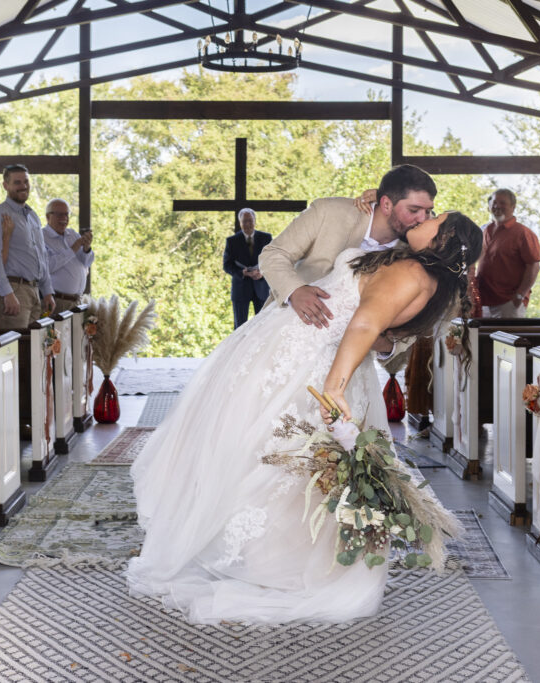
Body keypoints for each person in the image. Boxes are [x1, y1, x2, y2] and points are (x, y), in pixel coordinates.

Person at [127, 211, 480, 624]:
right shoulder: (423, 277)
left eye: (436, 218)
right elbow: (376, 323)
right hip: (299, 349)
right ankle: (273, 559)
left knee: (269, 458)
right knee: (288, 467)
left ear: (443, 239)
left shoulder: (410, 272)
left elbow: (365, 324)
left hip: (304, 359)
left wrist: (333, 388)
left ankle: (261, 563)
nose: (428, 216)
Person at [260, 164, 436, 360]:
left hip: (348, 362)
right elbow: (273, 254)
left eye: (428, 211)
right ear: (386, 205)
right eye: (414, 210)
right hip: (285, 338)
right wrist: (295, 291)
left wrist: (385, 344)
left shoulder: (416, 254)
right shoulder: (329, 211)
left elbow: (411, 325)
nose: (423, 219)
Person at [0, 164, 55, 327]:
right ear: (6, 186)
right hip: (12, 290)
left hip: (34, 292)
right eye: (17, 182)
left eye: (26, 181)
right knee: (13, 351)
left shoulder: (32, 216)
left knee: (33, 349)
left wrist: (47, 291)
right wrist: (7, 292)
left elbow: (41, 256)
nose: (23, 186)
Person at [475, 189, 540, 318]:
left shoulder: (523, 233)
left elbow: (534, 266)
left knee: (508, 338)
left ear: (513, 207)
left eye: (503, 203)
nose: (497, 206)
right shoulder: (485, 230)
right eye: (494, 202)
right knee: (480, 338)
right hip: (483, 301)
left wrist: (519, 296)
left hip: (508, 303)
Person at [42, 199, 93, 315]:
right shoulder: (42, 237)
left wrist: (86, 248)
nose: (64, 218)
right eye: (59, 214)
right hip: (57, 302)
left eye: (66, 214)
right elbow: (48, 266)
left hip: (77, 302)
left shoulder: (72, 234)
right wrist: (73, 249)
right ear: (48, 217)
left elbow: (87, 262)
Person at [223, 207, 272, 328]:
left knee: (263, 326)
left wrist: (262, 272)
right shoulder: (231, 241)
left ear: (255, 221)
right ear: (240, 222)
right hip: (241, 288)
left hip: (261, 287)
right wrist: (242, 273)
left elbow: (272, 260)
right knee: (239, 326)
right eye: (244, 221)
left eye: (250, 220)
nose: (247, 224)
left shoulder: (266, 238)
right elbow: (227, 265)